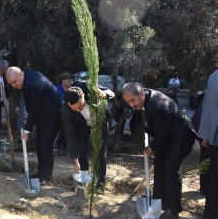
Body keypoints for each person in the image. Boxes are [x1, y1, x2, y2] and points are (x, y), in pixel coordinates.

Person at [122, 82, 196, 219]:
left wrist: (152, 147)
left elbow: (163, 133)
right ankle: (160, 204)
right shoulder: (141, 101)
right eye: (128, 102)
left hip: (181, 135)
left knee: (171, 168)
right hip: (166, 136)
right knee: (161, 168)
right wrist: (143, 145)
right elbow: (139, 125)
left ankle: (173, 210)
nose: (131, 105)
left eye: (133, 100)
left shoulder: (157, 107)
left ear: (142, 94)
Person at [5, 66, 63, 184]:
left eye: (14, 82)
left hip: (54, 113)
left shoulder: (32, 85)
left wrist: (26, 131)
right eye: (11, 84)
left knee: (46, 143)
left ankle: (46, 176)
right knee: (39, 143)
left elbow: (33, 110)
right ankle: (40, 171)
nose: (14, 86)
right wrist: (19, 106)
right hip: (43, 114)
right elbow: (29, 101)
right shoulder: (25, 77)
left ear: (20, 75)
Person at [62, 83, 115, 193]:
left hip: (100, 122)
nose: (79, 110)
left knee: (100, 152)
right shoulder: (66, 110)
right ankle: (82, 180)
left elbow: (111, 93)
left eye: (80, 106)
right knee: (81, 151)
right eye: (75, 109)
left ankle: (100, 183)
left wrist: (102, 94)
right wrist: (75, 162)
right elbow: (70, 136)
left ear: (83, 96)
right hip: (82, 126)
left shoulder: (88, 87)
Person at [198, 69, 218, 219]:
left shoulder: (213, 76)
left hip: (213, 136)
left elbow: (208, 106)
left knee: (214, 175)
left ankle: (210, 213)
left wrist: (205, 134)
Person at [54, 72, 74, 156]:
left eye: (71, 81)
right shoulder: (56, 89)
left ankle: (64, 146)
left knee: (68, 129)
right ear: (62, 81)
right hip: (59, 112)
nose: (70, 83)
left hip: (71, 113)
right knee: (61, 128)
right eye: (68, 81)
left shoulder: (73, 88)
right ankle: (60, 147)